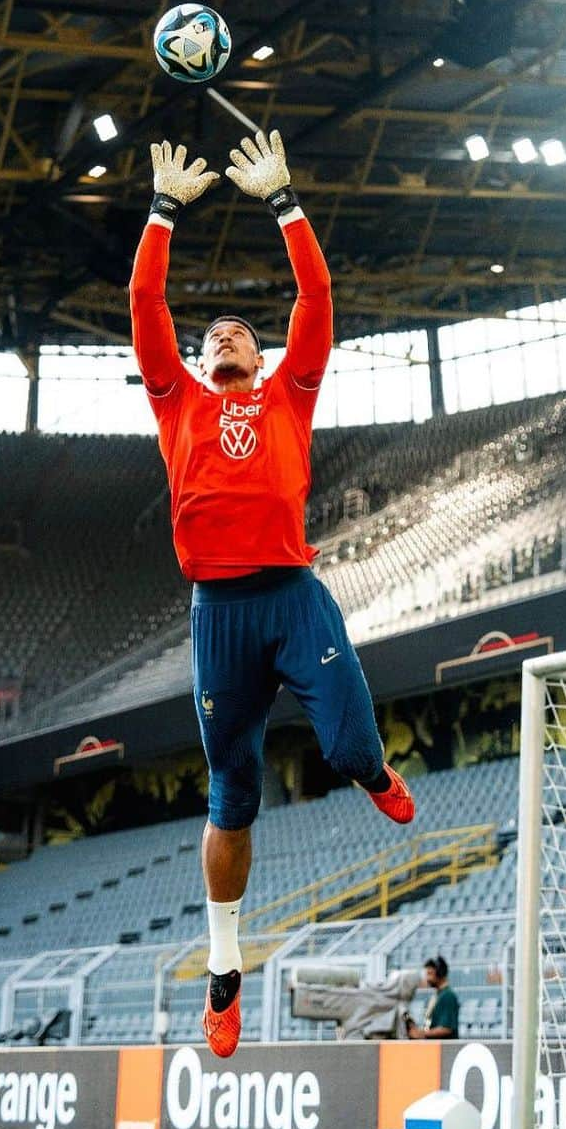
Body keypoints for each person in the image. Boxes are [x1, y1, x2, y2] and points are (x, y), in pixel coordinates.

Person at [130, 130, 416, 1059]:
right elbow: (144, 301)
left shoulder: (291, 389)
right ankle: (224, 967)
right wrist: (163, 210)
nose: (224, 335)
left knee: (346, 746)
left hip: (292, 593)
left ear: (264, 354)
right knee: (233, 796)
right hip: (219, 611)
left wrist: (285, 201)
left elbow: (318, 299)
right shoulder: (177, 398)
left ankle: (374, 772)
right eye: (213, 333)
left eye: (241, 332)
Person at [405, 955, 458, 1040]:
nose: (427, 978)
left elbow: (446, 1028)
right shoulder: (438, 995)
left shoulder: (448, 996)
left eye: (430, 973)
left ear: (440, 973)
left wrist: (421, 1033)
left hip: (445, 1050)